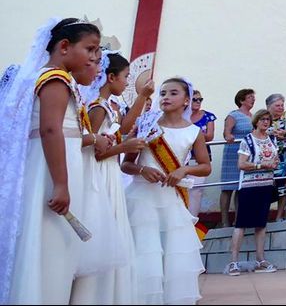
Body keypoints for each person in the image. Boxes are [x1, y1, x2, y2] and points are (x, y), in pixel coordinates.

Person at [0, 18, 103, 304]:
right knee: (50, 246)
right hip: (51, 171)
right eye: (90, 48)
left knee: (56, 247)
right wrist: (60, 183)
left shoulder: (58, 77)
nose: (94, 57)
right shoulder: (55, 78)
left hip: (57, 166)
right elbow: (50, 129)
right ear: (64, 46)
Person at [123, 76, 212, 304]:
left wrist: (183, 170)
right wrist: (142, 169)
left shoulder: (193, 131)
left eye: (173, 93)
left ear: (186, 100)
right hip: (142, 200)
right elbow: (126, 163)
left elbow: (205, 166)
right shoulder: (146, 124)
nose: (166, 97)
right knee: (144, 257)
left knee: (172, 260)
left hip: (171, 202)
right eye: (163, 93)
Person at [74, 52, 151, 304]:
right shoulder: (96, 107)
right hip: (100, 174)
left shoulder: (110, 106)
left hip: (110, 173)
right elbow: (93, 153)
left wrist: (143, 97)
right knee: (104, 229)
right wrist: (123, 148)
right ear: (110, 77)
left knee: (115, 230)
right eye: (125, 76)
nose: (127, 82)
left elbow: (126, 127)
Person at [226, 109, 280, 275]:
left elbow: (275, 158)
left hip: (266, 184)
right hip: (249, 185)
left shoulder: (271, 139)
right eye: (262, 119)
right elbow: (241, 164)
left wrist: (274, 163)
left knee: (261, 223)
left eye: (268, 120)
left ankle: (260, 259)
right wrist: (261, 165)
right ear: (256, 121)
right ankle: (233, 262)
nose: (265, 122)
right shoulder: (247, 140)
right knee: (241, 223)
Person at [220, 88, 256, 227]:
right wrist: (228, 136)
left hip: (245, 154)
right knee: (228, 188)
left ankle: (238, 218)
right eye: (249, 97)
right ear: (241, 100)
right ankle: (224, 220)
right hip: (232, 153)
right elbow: (226, 132)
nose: (253, 99)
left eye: (253, 97)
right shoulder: (233, 115)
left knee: (241, 187)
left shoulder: (252, 116)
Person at [265, 94, 286, 220]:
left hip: (285, 155)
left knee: (283, 186)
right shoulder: (264, 117)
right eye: (277, 105)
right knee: (267, 186)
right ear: (269, 106)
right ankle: (264, 215)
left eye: (282, 105)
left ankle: (280, 216)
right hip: (268, 156)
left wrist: (285, 132)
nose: (281, 108)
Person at [187, 89, 217, 220]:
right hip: (183, 158)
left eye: (200, 99)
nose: (198, 102)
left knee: (196, 191)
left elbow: (209, 136)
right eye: (195, 99)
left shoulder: (208, 116)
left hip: (200, 159)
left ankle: (193, 220)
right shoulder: (181, 116)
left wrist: (190, 133)